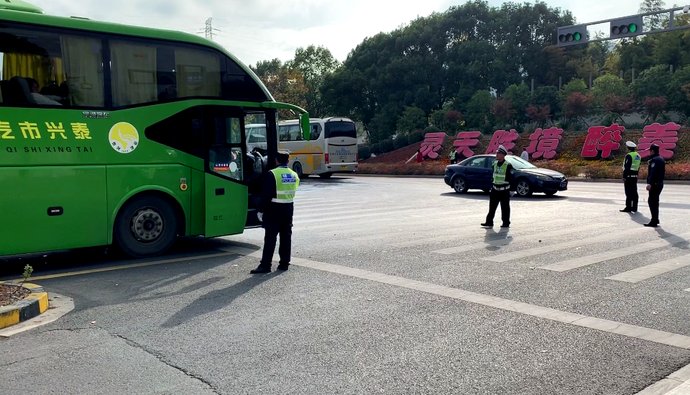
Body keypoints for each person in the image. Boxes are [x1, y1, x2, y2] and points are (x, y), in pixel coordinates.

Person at [250, 150, 300, 273]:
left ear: (276, 160)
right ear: (288, 161)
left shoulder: (272, 174)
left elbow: (267, 195)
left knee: (270, 239)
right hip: (288, 209)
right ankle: (284, 264)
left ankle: (265, 266)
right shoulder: (294, 174)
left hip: (274, 210)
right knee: (286, 237)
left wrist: (261, 210)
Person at [481, 145, 513, 228]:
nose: (496, 155)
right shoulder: (494, 163)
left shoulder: (508, 165)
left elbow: (511, 178)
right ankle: (489, 222)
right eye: (496, 153)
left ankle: (506, 223)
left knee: (505, 207)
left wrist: (512, 190)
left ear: (503, 155)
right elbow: (493, 175)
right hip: (495, 189)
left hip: (504, 190)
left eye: (498, 153)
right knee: (492, 207)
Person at [644, 143, 665, 227]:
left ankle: (654, 220)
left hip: (654, 184)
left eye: (650, 151)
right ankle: (655, 219)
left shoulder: (655, 160)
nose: (649, 152)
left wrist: (650, 183)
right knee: (655, 201)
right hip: (659, 183)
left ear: (652, 151)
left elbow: (653, 173)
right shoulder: (660, 159)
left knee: (652, 202)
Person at [620, 141, 641, 213]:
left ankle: (628, 207)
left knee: (628, 192)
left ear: (628, 148)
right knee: (634, 192)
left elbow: (627, 167)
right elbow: (638, 166)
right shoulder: (638, 155)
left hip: (628, 176)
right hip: (635, 176)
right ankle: (634, 207)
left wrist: (624, 176)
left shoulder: (629, 155)